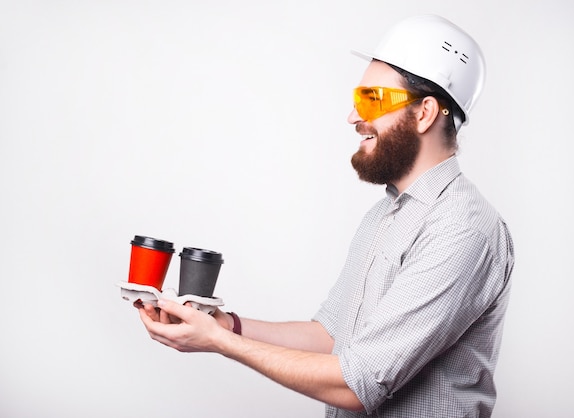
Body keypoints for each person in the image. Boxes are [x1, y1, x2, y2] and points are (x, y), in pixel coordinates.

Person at [136, 14, 515, 418]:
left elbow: (359, 383)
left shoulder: (462, 228)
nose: (353, 117)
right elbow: (330, 337)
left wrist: (218, 342)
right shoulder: (383, 216)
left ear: (424, 113)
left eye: (371, 99)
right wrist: (226, 324)